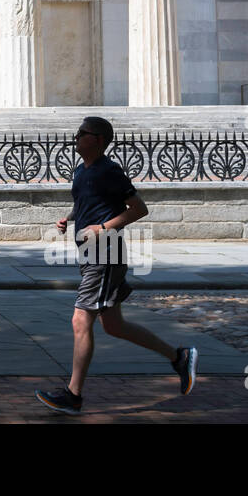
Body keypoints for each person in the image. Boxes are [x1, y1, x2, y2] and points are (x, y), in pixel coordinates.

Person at [35, 116, 197, 415]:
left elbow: (138, 209)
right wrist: (69, 219)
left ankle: (73, 395)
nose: (76, 136)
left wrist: (103, 228)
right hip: (90, 255)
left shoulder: (109, 171)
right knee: (114, 325)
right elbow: (87, 201)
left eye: (82, 133)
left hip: (105, 254)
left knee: (80, 320)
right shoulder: (81, 171)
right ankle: (179, 357)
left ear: (97, 139)